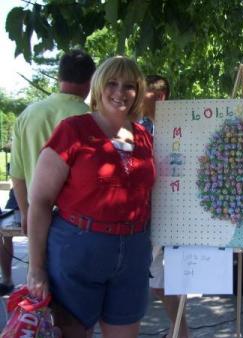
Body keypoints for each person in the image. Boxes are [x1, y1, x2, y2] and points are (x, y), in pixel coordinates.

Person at [26, 56, 156, 338]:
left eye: (129, 85)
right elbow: (40, 202)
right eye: (112, 83)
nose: (120, 91)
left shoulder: (144, 137)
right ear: (98, 86)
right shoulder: (73, 131)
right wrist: (36, 268)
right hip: (79, 249)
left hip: (133, 251)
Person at [7, 49, 95, 298]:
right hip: (78, 223)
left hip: (37, 217)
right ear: (91, 81)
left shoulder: (28, 114)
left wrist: (26, 212)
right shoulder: (92, 118)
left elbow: (18, 173)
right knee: (77, 306)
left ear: (59, 77)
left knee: (41, 294)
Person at [141, 75, 190, 338]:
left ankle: (181, 330)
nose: (135, 95)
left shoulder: (177, 130)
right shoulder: (140, 126)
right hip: (147, 214)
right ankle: (180, 329)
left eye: (142, 91)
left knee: (167, 276)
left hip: (171, 214)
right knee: (156, 279)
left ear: (159, 97)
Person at [0, 189, 19, 296]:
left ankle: (35, 283)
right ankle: (6, 280)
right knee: (5, 235)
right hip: (17, 193)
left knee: (36, 235)